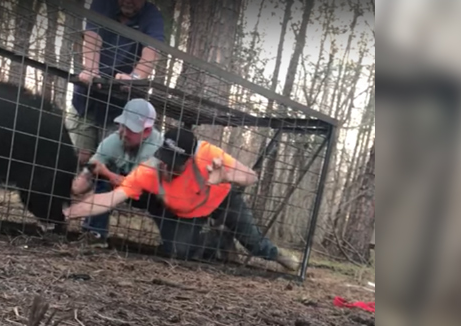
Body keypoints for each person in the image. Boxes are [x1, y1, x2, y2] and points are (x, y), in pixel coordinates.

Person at [64, 127, 300, 271]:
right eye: (165, 158)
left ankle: (281, 257)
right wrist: (69, 213)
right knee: (178, 252)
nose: (168, 166)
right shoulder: (149, 170)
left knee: (254, 243)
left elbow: (251, 177)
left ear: (190, 158)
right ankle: (218, 239)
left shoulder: (208, 154)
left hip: (223, 200)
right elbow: (111, 198)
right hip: (190, 212)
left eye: (176, 163)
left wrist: (225, 175)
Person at [69, 0, 165, 163]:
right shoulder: (102, 4)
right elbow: (93, 36)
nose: (128, 1)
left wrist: (135, 77)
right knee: (80, 157)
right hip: (86, 100)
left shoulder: (152, 15)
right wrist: (91, 70)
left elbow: (151, 51)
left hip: (120, 108)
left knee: (109, 162)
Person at [70, 98, 165, 248]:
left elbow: (136, 186)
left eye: (131, 129)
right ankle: (95, 234)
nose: (124, 132)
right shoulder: (115, 139)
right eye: (123, 125)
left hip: (152, 193)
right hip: (124, 184)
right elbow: (93, 165)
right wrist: (80, 182)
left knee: (177, 249)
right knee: (101, 177)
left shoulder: (156, 148)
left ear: (146, 131)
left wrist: (108, 173)